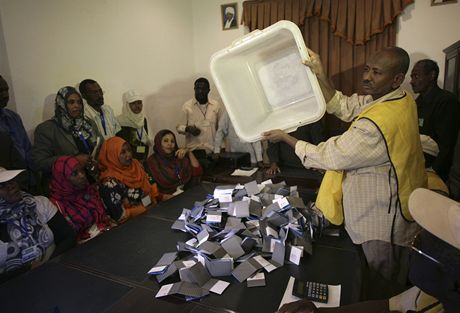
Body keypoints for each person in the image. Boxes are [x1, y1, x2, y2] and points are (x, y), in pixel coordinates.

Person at [263, 47, 426, 297]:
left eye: (376, 72)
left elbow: (329, 156)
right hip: (394, 208)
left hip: (381, 223)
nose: (367, 77)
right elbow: (345, 105)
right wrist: (320, 75)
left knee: (380, 288)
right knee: (368, 279)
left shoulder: (377, 124)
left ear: (396, 78)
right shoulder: (399, 98)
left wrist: (286, 137)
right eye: (366, 69)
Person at [277, 188, 460, 313]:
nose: (410, 249)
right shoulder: (433, 295)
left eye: (415, 246)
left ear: (452, 281)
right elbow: (388, 304)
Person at [0, 167, 75, 283]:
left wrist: (50, 265)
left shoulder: (39, 203)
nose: (11, 186)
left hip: (57, 272)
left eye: (12, 180)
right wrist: (28, 270)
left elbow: (68, 235)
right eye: (2, 186)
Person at [32, 87, 101, 193]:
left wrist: (97, 160)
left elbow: (101, 145)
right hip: (65, 186)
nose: (76, 105)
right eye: (71, 102)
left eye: (79, 102)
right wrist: (73, 161)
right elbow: (40, 163)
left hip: (92, 179)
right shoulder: (47, 129)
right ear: (61, 104)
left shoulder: (88, 124)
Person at [410, 59, 460, 181]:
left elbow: (448, 143)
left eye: (416, 76)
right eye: (412, 77)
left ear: (432, 75)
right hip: (419, 164)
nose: (411, 81)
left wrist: (434, 170)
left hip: (437, 170)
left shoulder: (447, 101)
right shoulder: (417, 102)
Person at [49, 156, 112, 242]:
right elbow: (69, 239)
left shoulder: (87, 189)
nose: (82, 176)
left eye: (82, 170)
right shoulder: (56, 205)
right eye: (74, 174)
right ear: (63, 179)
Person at [98, 137, 160, 222]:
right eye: (123, 152)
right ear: (112, 155)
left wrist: (155, 200)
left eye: (129, 150)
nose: (129, 155)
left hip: (153, 211)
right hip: (132, 224)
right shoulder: (109, 182)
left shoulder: (136, 164)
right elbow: (120, 216)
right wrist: (144, 209)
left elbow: (151, 183)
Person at [176, 77, 222, 169]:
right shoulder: (187, 106)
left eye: (203, 89)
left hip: (212, 153)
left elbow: (221, 130)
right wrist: (188, 129)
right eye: (197, 88)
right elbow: (178, 127)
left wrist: (221, 149)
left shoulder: (216, 106)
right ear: (194, 89)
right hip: (193, 153)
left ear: (208, 90)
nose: (200, 91)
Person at [147, 129, 202, 196]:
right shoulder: (152, 162)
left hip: (186, 195)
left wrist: (189, 152)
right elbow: (149, 188)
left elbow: (197, 172)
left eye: (172, 141)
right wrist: (164, 197)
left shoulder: (179, 156)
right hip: (165, 201)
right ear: (158, 143)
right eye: (165, 141)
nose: (170, 144)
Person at [0, 75, 32, 168]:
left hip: (24, 175)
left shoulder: (14, 117)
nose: (6, 95)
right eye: (0, 91)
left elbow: (27, 149)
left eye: (6, 90)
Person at [116, 89, 152, 163]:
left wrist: (144, 158)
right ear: (127, 105)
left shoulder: (143, 119)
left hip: (142, 158)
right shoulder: (120, 121)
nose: (137, 106)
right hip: (127, 160)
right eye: (133, 103)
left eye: (139, 103)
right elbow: (120, 145)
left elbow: (144, 142)